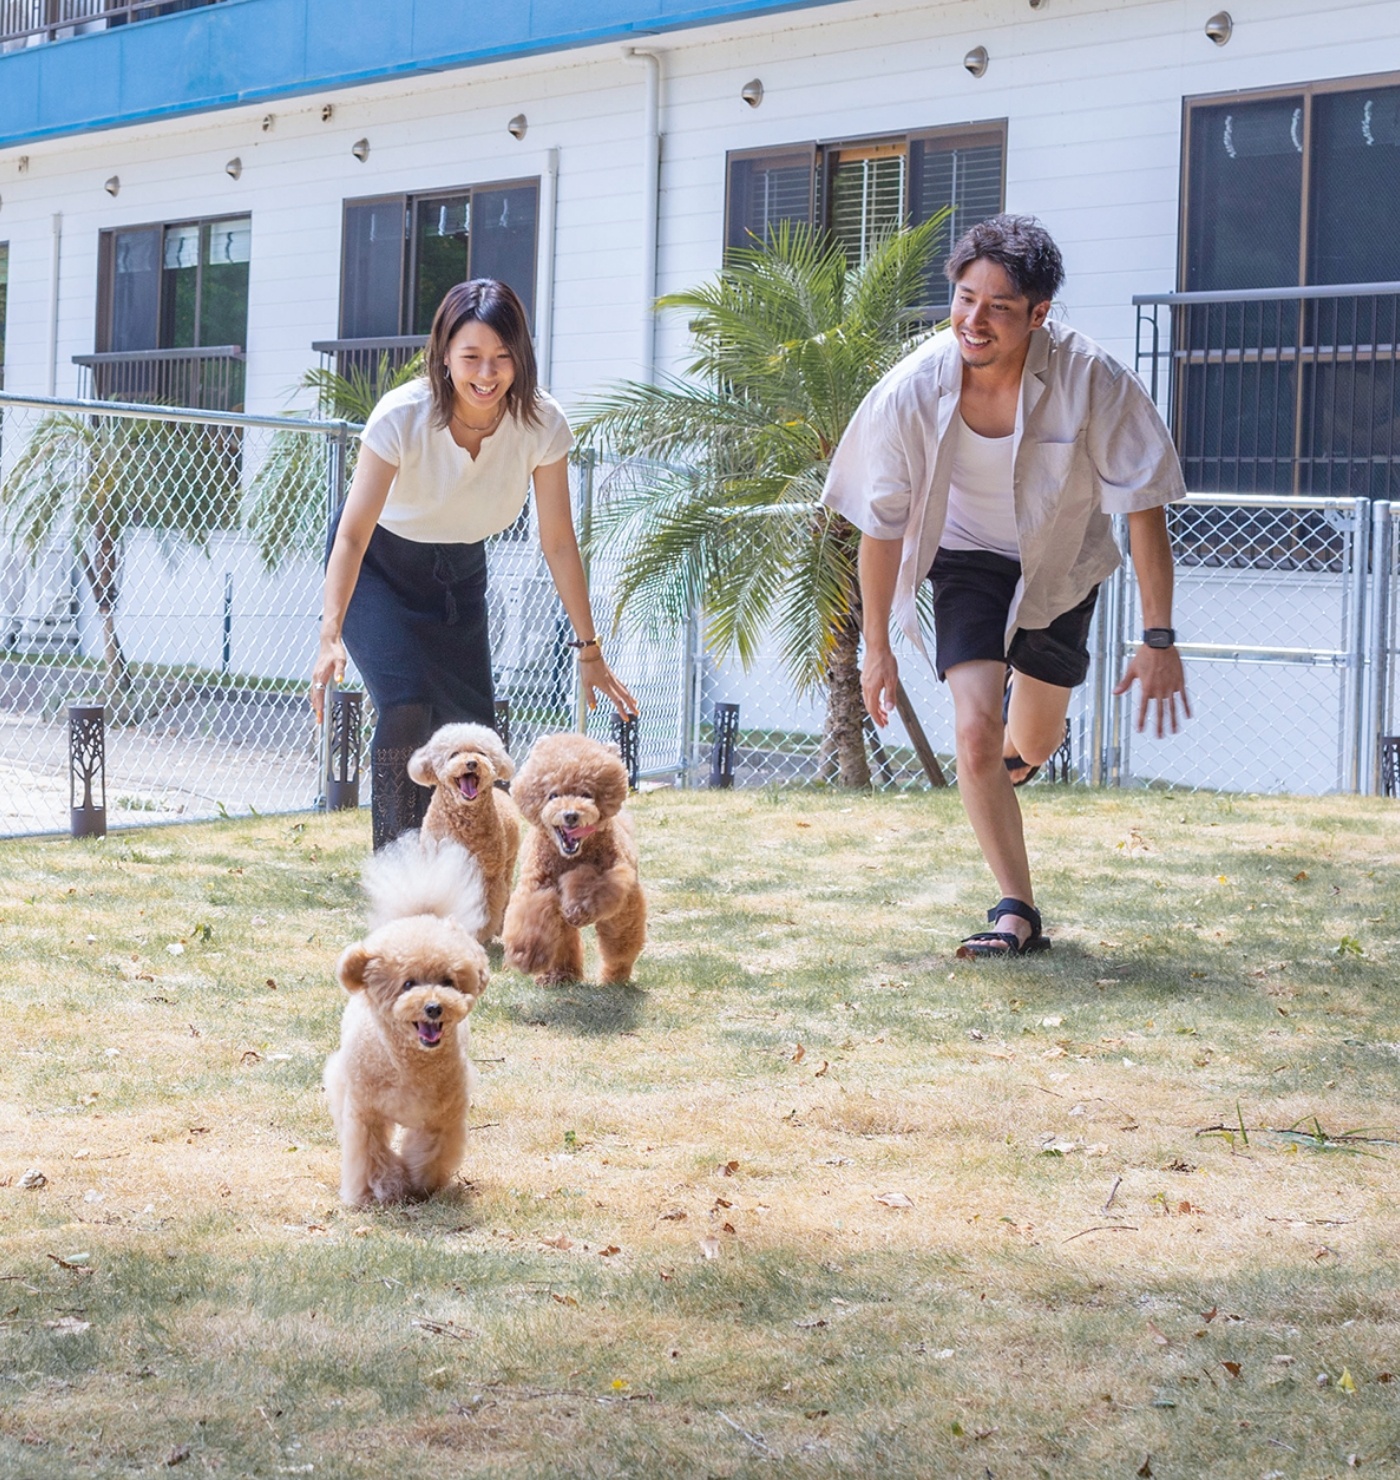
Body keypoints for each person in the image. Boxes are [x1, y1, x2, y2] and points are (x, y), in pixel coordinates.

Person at [822, 215, 1190, 958]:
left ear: (1040, 314)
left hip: (1059, 566)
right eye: (964, 299)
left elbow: (1143, 507)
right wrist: (876, 652)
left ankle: (1016, 750)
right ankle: (1016, 909)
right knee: (975, 733)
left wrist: (1158, 637)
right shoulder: (912, 389)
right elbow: (882, 523)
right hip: (966, 563)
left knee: (1030, 738)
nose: (975, 321)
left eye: (999, 307)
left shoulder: (1094, 379)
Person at [311, 278, 637, 849]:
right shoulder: (402, 417)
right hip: (378, 568)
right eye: (471, 357)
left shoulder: (540, 423)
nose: (487, 373)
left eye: (503, 357)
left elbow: (558, 540)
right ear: (444, 355)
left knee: (472, 736)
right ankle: (402, 865)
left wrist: (590, 648)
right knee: (407, 705)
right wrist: (330, 632)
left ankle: (470, 869)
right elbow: (352, 532)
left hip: (459, 571)